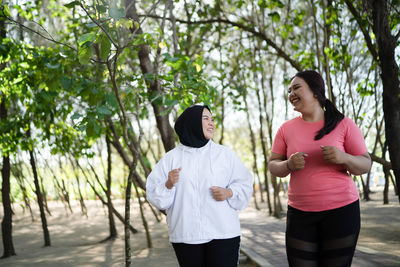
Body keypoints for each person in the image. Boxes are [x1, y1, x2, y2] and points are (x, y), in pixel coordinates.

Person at [268, 70, 371, 267]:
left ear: (316, 91)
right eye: (289, 90)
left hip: (341, 212)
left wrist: (344, 157)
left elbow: (365, 164)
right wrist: (288, 164)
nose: (291, 94)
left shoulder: (343, 124)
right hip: (300, 214)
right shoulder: (285, 129)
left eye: (296, 87)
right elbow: (273, 165)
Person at [146, 105, 253, 267]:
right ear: (192, 123)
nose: (212, 123)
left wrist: (229, 192)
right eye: (206, 118)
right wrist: (168, 184)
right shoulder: (170, 159)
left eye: (212, 119)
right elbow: (155, 195)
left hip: (223, 233)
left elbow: (244, 183)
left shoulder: (225, 155)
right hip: (186, 234)